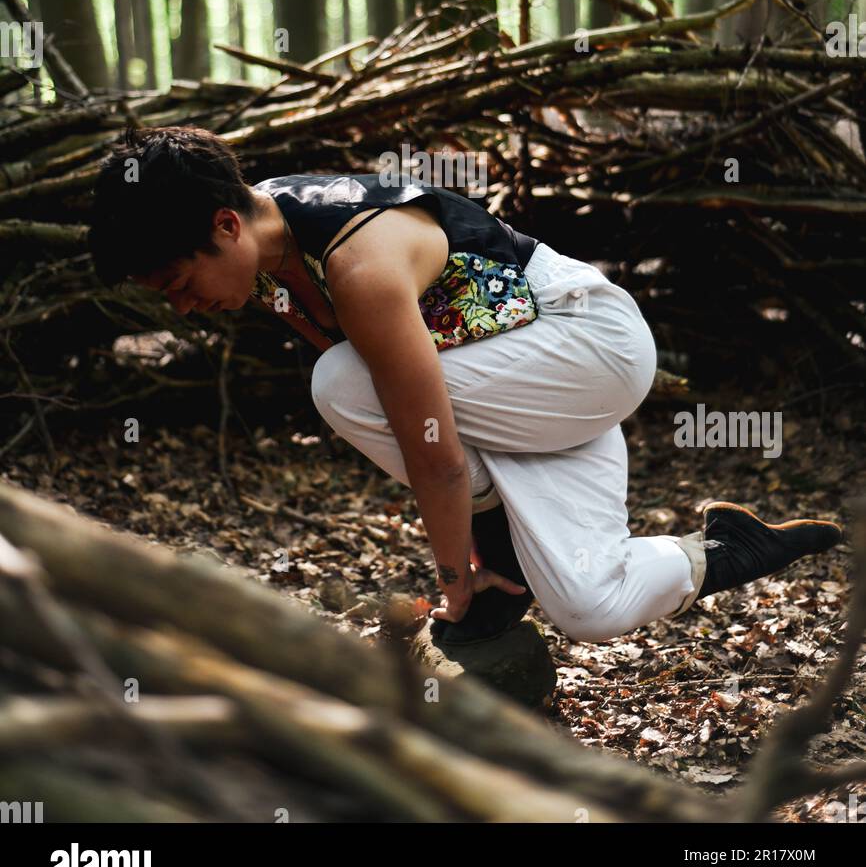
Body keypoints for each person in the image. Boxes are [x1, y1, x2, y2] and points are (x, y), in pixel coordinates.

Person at [87, 125, 843, 647]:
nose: (183, 307)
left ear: (225, 225)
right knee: (590, 606)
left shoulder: (358, 262)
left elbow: (435, 451)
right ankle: (725, 548)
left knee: (341, 385)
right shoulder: (271, 240)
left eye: (180, 284)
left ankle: (499, 558)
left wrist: (459, 579)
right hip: (526, 386)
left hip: (586, 346)